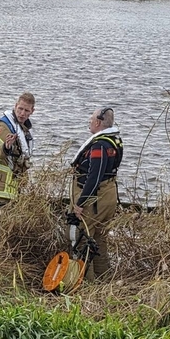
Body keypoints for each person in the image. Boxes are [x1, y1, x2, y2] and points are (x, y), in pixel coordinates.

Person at [70, 106, 123, 280]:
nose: (89, 121)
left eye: (91, 118)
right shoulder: (114, 141)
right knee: (99, 239)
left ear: (98, 122)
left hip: (95, 199)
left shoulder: (99, 145)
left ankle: (86, 285)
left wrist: (80, 203)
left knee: (83, 238)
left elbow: (94, 177)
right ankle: (105, 280)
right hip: (109, 194)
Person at [0, 92, 36, 217]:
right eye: (20, 108)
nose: (22, 113)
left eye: (26, 110)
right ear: (15, 106)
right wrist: (5, 148)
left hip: (11, 190)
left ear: (32, 111)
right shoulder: (4, 126)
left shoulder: (23, 129)